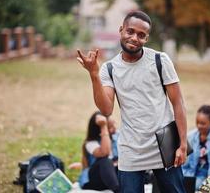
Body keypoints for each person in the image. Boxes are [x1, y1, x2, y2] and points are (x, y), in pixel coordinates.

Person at [77, 10, 188, 193]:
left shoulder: (160, 60)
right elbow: (106, 110)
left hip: (165, 143)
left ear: (147, 38)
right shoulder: (110, 68)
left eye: (141, 35)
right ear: (121, 30)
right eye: (130, 31)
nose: (135, 38)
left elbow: (178, 104)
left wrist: (182, 144)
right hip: (131, 148)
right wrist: (94, 74)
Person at [75, 111, 120, 192]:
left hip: (112, 177)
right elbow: (105, 153)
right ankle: (118, 190)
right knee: (105, 161)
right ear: (99, 130)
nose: (115, 129)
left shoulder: (117, 136)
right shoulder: (90, 143)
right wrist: (103, 126)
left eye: (114, 125)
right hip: (95, 180)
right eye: (110, 127)